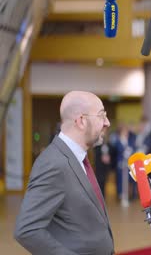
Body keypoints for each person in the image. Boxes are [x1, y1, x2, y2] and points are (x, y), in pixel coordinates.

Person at [14, 91, 114, 255]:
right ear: (81, 121)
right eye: (101, 116)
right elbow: (27, 230)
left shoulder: (79, 157)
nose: (107, 123)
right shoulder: (53, 163)